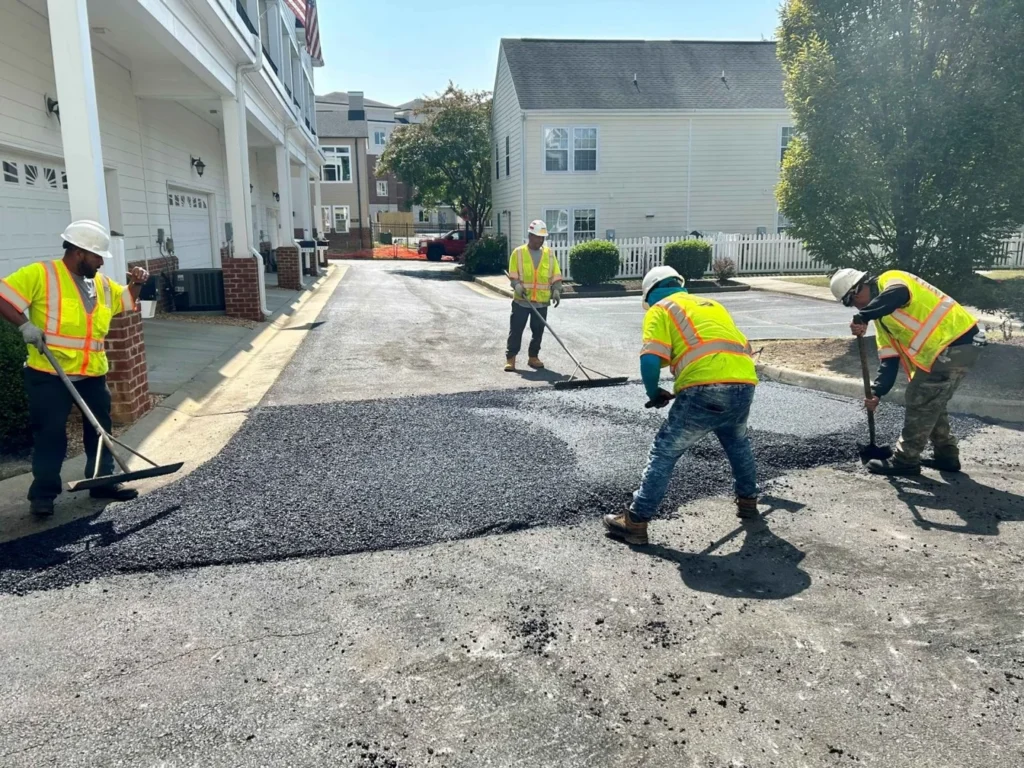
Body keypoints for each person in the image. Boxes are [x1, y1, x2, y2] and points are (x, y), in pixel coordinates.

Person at [0, 220, 150, 516]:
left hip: (92, 373)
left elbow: (125, 302)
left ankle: (102, 482)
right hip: (49, 373)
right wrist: (25, 326)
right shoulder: (41, 274)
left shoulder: (101, 284)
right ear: (79, 252)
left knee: (100, 430)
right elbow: (3, 297)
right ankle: (43, 495)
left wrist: (137, 283)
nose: (101, 262)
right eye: (97, 256)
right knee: (50, 434)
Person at [604, 266, 761, 546]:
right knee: (738, 443)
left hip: (704, 388)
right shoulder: (712, 305)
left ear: (650, 293)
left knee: (665, 451)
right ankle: (748, 501)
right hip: (744, 382)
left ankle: (636, 521)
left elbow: (650, 358)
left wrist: (654, 392)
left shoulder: (661, 308)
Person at [830, 268, 983, 476]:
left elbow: (898, 294)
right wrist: (877, 392)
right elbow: (889, 360)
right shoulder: (883, 320)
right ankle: (946, 455)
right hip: (948, 350)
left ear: (857, 291)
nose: (856, 306)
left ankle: (905, 460)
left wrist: (864, 316)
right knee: (931, 401)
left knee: (919, 398)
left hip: (955, 342)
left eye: (852, 302)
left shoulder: (891, 279)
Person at [504, 220, 563, 372]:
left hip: (541, 301)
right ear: (530, 236)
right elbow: (513, 274)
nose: (540, 240)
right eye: (538, 237)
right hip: (522, 301)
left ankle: (533, 357)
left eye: (542, 237)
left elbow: (556, 275)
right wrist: (517, 285)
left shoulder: (549, 254)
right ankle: (511, 358)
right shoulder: (518, 253)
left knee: (538, 331)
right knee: (516, 330)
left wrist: (556, 290)